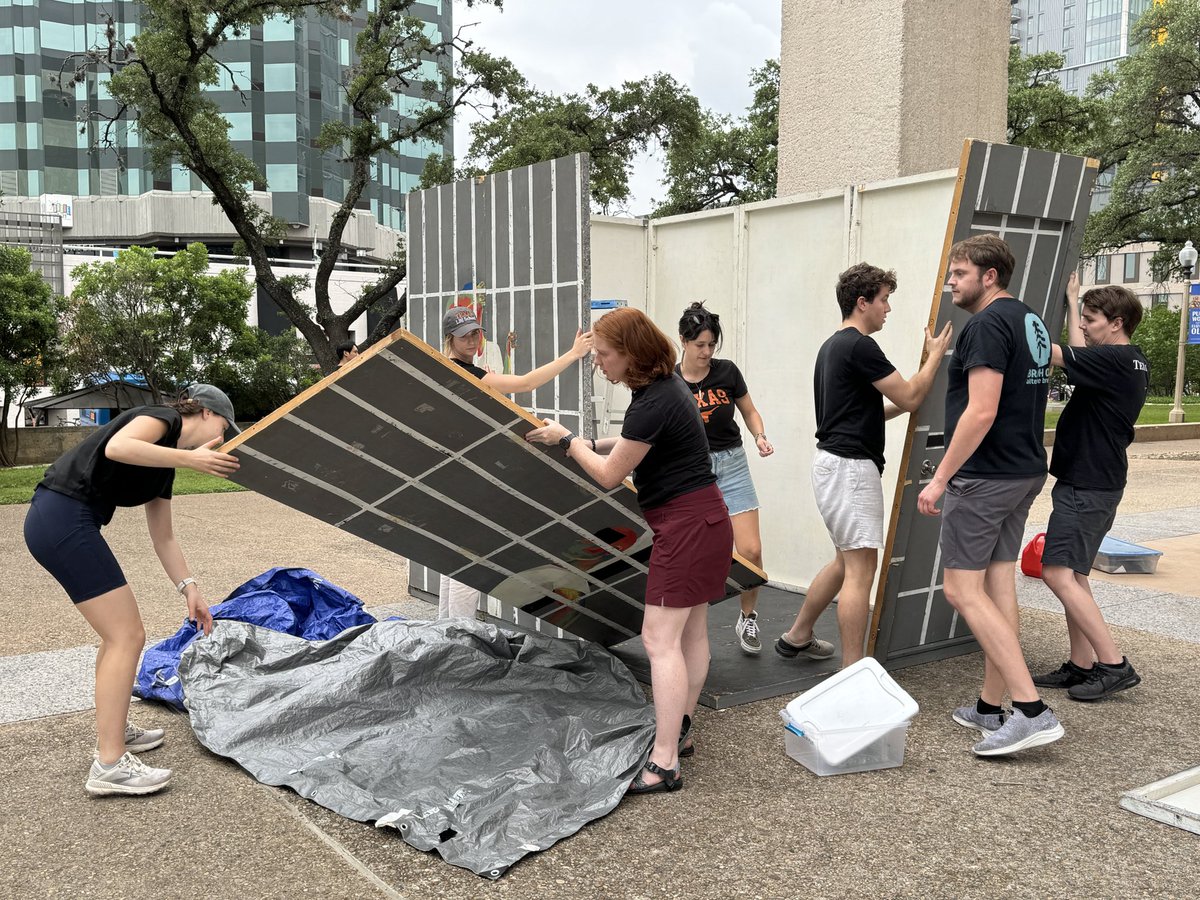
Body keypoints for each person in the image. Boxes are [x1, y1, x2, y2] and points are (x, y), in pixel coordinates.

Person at [526, 307, 732, 795]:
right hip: (707, 519)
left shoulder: (650, 401)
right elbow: (640, 442)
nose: (597, 361)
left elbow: (608, 475)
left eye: (603, 354)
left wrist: (569, 439)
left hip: (684, 527)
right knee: (691, 633)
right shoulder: (666, 388)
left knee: (659, 641)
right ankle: (676, 735)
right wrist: (595, 441)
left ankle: (663, 764)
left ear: (630, 354)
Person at [23, 384, 240, 795]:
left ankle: (114, 727)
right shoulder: (163, 418)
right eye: (223, 429)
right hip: (61, 516)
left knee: (116, 636)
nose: (221, 441)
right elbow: (118, 447)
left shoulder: (165, 467)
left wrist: (189, 588)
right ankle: (108, 765)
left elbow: (164, 538)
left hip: (67, 521)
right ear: (208, 415)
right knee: (127, 634)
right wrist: (191, 458)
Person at [917, 234, 1063, 757]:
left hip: (984, 477)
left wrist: (939, 479)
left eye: (958, 274)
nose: (951, 283)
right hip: (1023, 471)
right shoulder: (1031, 320)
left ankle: (1030, 711)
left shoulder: (983, 325)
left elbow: (981, 411)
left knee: (961, 591)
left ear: (989, 276)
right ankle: (988, 705)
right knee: (998, 584)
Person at [779, 264, 952, 668]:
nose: (888, 308)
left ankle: (797, 636)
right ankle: (853, 672)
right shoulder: (860, 346)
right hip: (851, 471)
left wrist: (905, 402)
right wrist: (933, 359)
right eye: (884, 299)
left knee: (845, 561)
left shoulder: (832, 346)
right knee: (860, 571)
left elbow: (862, 411)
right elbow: (909, 396)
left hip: (834, 466)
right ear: (862, 303)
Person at [438, 305, 593, 619]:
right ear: (449, 340)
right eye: (463, 337)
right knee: (472, 558)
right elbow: (526, 383)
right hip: (468, 475)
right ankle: (459, 634)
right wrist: (573, 354)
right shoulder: (466, 374)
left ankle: (446, 630)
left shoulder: (444, 368)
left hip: (454, 471)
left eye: (475, 334)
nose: (470, 341)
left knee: (455, 556)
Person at [1035, 273, 1148, 700]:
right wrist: (1070, 301)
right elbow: (1079, 354)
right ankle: (1082, 666)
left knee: (1056, 571)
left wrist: (1010, 321)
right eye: (1082, 318)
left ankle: (1113, 664)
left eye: (1091, 319)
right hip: (1096, 481)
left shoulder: (1114, 361)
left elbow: (1059, 354)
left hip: (1088, 483)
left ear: (1116, 323)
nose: (1084, 325)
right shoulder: (1126, 360)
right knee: (1075, 574)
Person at [675, 301, 773, 655]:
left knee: (750, 550)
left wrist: (760, 435)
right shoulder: (670, 381)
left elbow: (749, 410)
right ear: (684, 341)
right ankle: (685, 622)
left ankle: (748, 616)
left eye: (711, 345)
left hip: (731, 462)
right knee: (696, 552)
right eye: (700, 345)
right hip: (692, 469)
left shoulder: (727, 372)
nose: (706, 352)